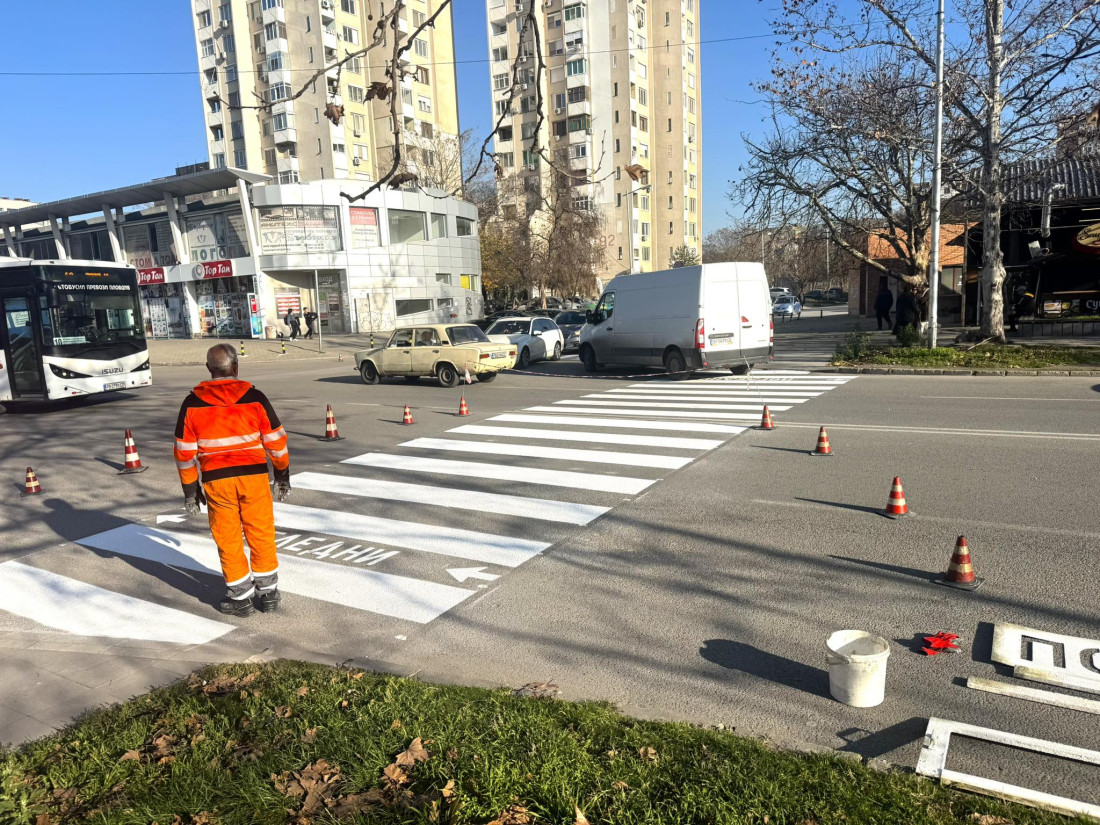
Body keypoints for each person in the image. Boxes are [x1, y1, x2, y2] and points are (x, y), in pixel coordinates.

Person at [173, 343, 291, 616]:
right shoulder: (255, 397)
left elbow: (184, 453)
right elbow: (276, 441)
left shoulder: (192, 403)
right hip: (254, 478)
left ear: (208, 370)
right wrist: (282, 473)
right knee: (260, 533)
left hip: (217, 481)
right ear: (236, 367)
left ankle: (240, 599)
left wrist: (190, 489)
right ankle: (268, 594)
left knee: (228, 538)